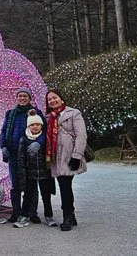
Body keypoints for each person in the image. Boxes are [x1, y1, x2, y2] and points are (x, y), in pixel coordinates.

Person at [0, 87, 45, 223]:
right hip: (13, 153)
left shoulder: (36, 113)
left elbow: (44, 131)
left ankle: (32, 212)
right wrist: (3, 146)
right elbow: (3, 131)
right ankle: (16, 212)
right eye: (20, 96)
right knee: (15, 184)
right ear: (17, 98)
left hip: (30, 153)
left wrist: (39, 143)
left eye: (25, 96)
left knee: (31, 183)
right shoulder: (10, 113)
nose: (22, 98)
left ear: (30, 98)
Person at [45, 88, 88, 231]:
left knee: (65, 186)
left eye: (54, 97)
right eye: (49, 99)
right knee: (65, 186)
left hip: (68, 155)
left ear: (61, 98)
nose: (52, 100)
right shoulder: (49, 117)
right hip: (55, 156)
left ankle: (67, 217)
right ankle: (71, 214)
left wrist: (76, 156)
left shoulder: (73, 113)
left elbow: (81, 135)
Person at [14, 110, 57, 228]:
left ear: (41, 125)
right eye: (32, 124)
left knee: (46, 195)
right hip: (30, 173)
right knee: (28, 195)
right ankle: (24, 216)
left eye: (37, 124)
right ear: (28, 126)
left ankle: (49, 216)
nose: (35, 127)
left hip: (44, 172)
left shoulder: (44, 138)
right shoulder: (24, 139)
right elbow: (21, 159)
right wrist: (22, 173)